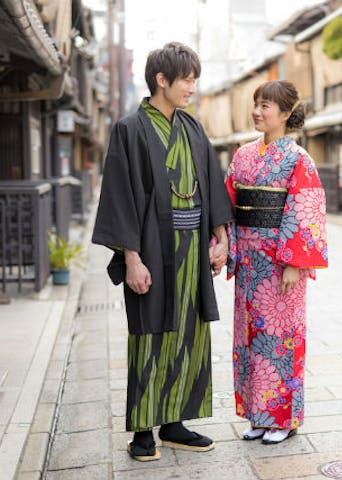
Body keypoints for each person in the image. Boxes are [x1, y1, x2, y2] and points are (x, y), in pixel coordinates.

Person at [92, 42, 233, 461]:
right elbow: (120, 196)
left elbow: (211, 181)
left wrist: (221, 237)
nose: (192, 86)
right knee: (149, 335)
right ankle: (142, 429)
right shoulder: (130, 129)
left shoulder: (192, 128)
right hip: (152, 248)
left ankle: (174, 422)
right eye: (187, 79)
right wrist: (131, 258)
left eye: (194, 79)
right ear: (161, 80)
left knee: (189, 332)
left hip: (191, 252)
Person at [222, 80, 328, 444]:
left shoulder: (299, 159)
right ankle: (258, 414)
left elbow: (306, 208)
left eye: (265, 106)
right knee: (249, 337)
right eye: (256, 104)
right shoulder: (243, 155)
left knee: (280, 340)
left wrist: (295, 262)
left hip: (281, 262)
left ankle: (283, 418)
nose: (257, 111)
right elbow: (229, 201)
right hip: (250, 260)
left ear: (285, 114)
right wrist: (224, 243)